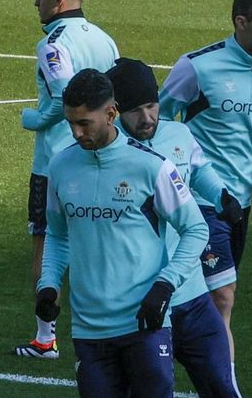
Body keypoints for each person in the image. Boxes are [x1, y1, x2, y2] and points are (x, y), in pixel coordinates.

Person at [36, 70, 208, 398]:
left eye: (84, 123)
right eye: (70, 123)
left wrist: (165, 284)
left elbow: (196, 228)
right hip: (89, 330)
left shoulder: (151, 167)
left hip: (144, 325)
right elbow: (58, 236)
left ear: (111, 113)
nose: (75, 132)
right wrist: (48, 286)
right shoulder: (60, 167)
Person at [159, 0, 252, 368]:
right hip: (198, 200)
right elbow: (158, 120)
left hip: (238, 201)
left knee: (207, 296)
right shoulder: (197, 66)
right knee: (223, 295)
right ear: (241, 21)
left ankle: (179, 352)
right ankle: (220, 383)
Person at [109, 58, 241, 398]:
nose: (148, 118)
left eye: (152, 106)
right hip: (143, 299)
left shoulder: (179, 133)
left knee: (221, 387)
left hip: (191, 295)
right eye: (135, 110)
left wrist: (221, 195)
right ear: (115, 110)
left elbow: (199, 169)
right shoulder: (108, 154)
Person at [16, 0, 118, 360]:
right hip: (100, 156)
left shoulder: (53, 44)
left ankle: (45, 337)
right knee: (99, 240)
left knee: (47, 240)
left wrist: (33, 119)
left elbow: (64, 100)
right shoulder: (106, 40)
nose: (35, 1)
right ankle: (109, 328)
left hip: (56, 160)